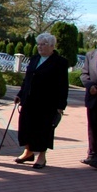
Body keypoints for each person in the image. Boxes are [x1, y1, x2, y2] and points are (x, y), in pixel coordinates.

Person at [14, 33, 69, 170]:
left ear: (52, 46)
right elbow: (26, 79)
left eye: (43, 44)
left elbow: (63, 85)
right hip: (29, 100)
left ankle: (41, 157)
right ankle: (28, 152)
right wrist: (20, 94)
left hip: (47, 103)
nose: (40, 47)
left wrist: (61, 106)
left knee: (43, 130)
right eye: (38, 44)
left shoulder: (60, 62)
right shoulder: (34, 59)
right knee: (26, 127)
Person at [80, 32, 97, 171]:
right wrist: (90, 87)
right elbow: (84, 74)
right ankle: (92, 154)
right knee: (92, 127)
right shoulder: (90, 55)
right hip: (93, 97)